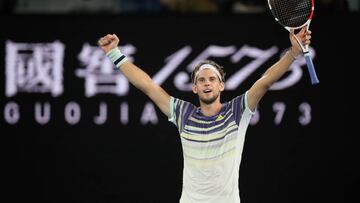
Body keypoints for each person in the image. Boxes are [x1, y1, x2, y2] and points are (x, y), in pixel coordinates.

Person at [97, 26, 312, 203]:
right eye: (201, 80)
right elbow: (148, 86)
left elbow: (265, 81)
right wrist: (115, 54)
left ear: (221, 86)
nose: (206, 83)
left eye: (212, 79)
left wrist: (293, 53)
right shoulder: (183, 113)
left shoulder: (237, 111)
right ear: (194, 88)